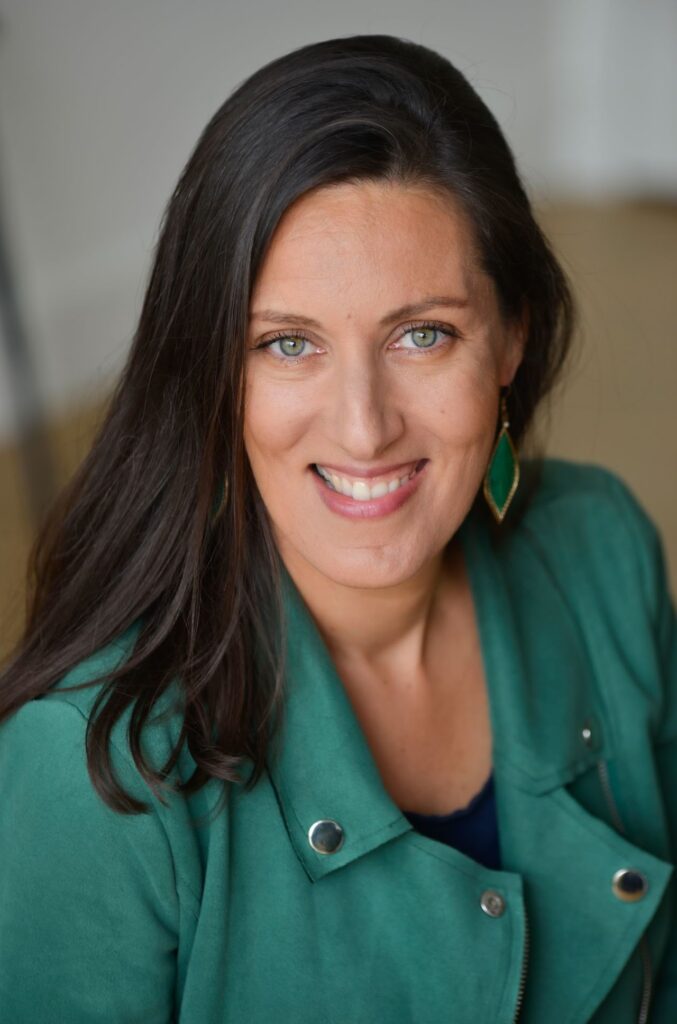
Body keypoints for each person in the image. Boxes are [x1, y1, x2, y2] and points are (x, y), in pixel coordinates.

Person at [0, 33, 675, 1024]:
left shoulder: (600, 549)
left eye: (421, 334)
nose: (363, 426)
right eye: (287, 344)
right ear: (212, 372)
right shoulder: (91, 772)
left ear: (510, 336)